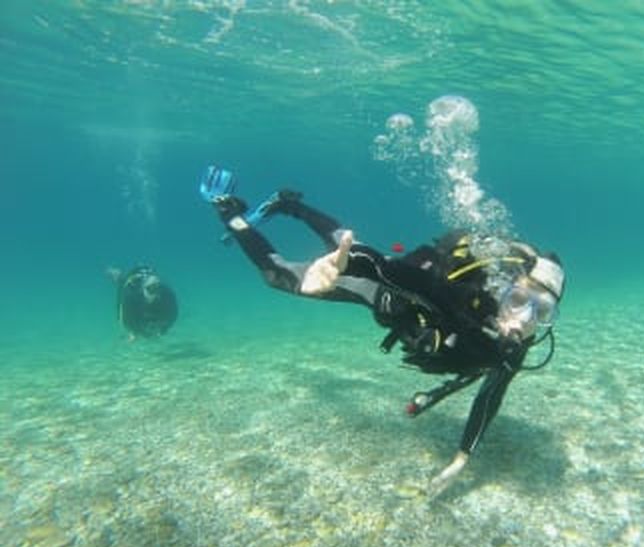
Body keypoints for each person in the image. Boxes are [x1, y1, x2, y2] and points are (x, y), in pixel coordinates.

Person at [200, 166, 565, 496]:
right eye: (518, 300)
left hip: (401, 292)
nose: (524, 319)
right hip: (386, 294)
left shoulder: (516, 345)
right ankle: (231, 215)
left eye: (542, 311)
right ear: (505, 287)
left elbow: (489, 397)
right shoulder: (459, 292)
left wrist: (461, 458)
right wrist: (345, 264)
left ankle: (291, 205)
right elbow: (387, 269)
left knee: (346, 238)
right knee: (279, 275)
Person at [106, 265, 179, 341]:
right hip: (132, 280)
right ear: (142, 290)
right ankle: (117, 275)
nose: (155, 294)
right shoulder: (133, 297)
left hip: (144, 276)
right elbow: (123, 319)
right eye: (150, 289)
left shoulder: (167, 295)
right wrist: (135, 332)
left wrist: (164, 329)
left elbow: (173, 314)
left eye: (158, 288)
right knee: (123, 283)